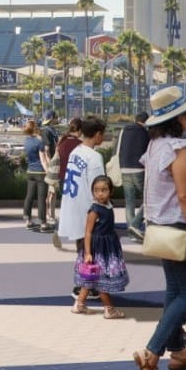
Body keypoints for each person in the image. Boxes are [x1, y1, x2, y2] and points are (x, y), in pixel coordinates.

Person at [132, 86, 186, 370]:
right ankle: (151, 352)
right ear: (180, 116)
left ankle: (178, 352)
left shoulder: (155, 147)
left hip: (160, 226)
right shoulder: (179, 150)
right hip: (180, 228)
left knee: (174, 291)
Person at [56, 119, 107, 300]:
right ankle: (85, 286)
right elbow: (99, 187)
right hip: (87, 209)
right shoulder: (94, 157)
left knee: (82, 248)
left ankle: (83, 284)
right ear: (98, 134)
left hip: (73, 205)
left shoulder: (76, 151)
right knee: (90, 249)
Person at [80, 175, 129, 318]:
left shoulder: (108, 205)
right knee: (101, 278)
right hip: (98, 248)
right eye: (96, 190)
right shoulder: (94, 210)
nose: (100, 194)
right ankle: (109, 309)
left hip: (108, 245)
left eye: (104, 190)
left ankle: (79, 304)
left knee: (92, 277)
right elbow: (88, 232)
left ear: (111, 191)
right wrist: (88, 253)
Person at [115, 115, 149, 241]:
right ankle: (135, 225)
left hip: (124, 168)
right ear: (145, 121)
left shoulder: (124, 130)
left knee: (130, 203)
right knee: (149, 199)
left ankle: (131, 233)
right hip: (139, 169)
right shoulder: (144, 132)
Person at [20, 120, 50, 232]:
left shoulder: (26, 141)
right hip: (40, 173)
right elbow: (43, 160)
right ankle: (43, 223)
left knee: (29, 196)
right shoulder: (39, 142)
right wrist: (48, 172)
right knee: (41, 198)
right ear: (35, 128)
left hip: (30, 172)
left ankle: (27, 220)